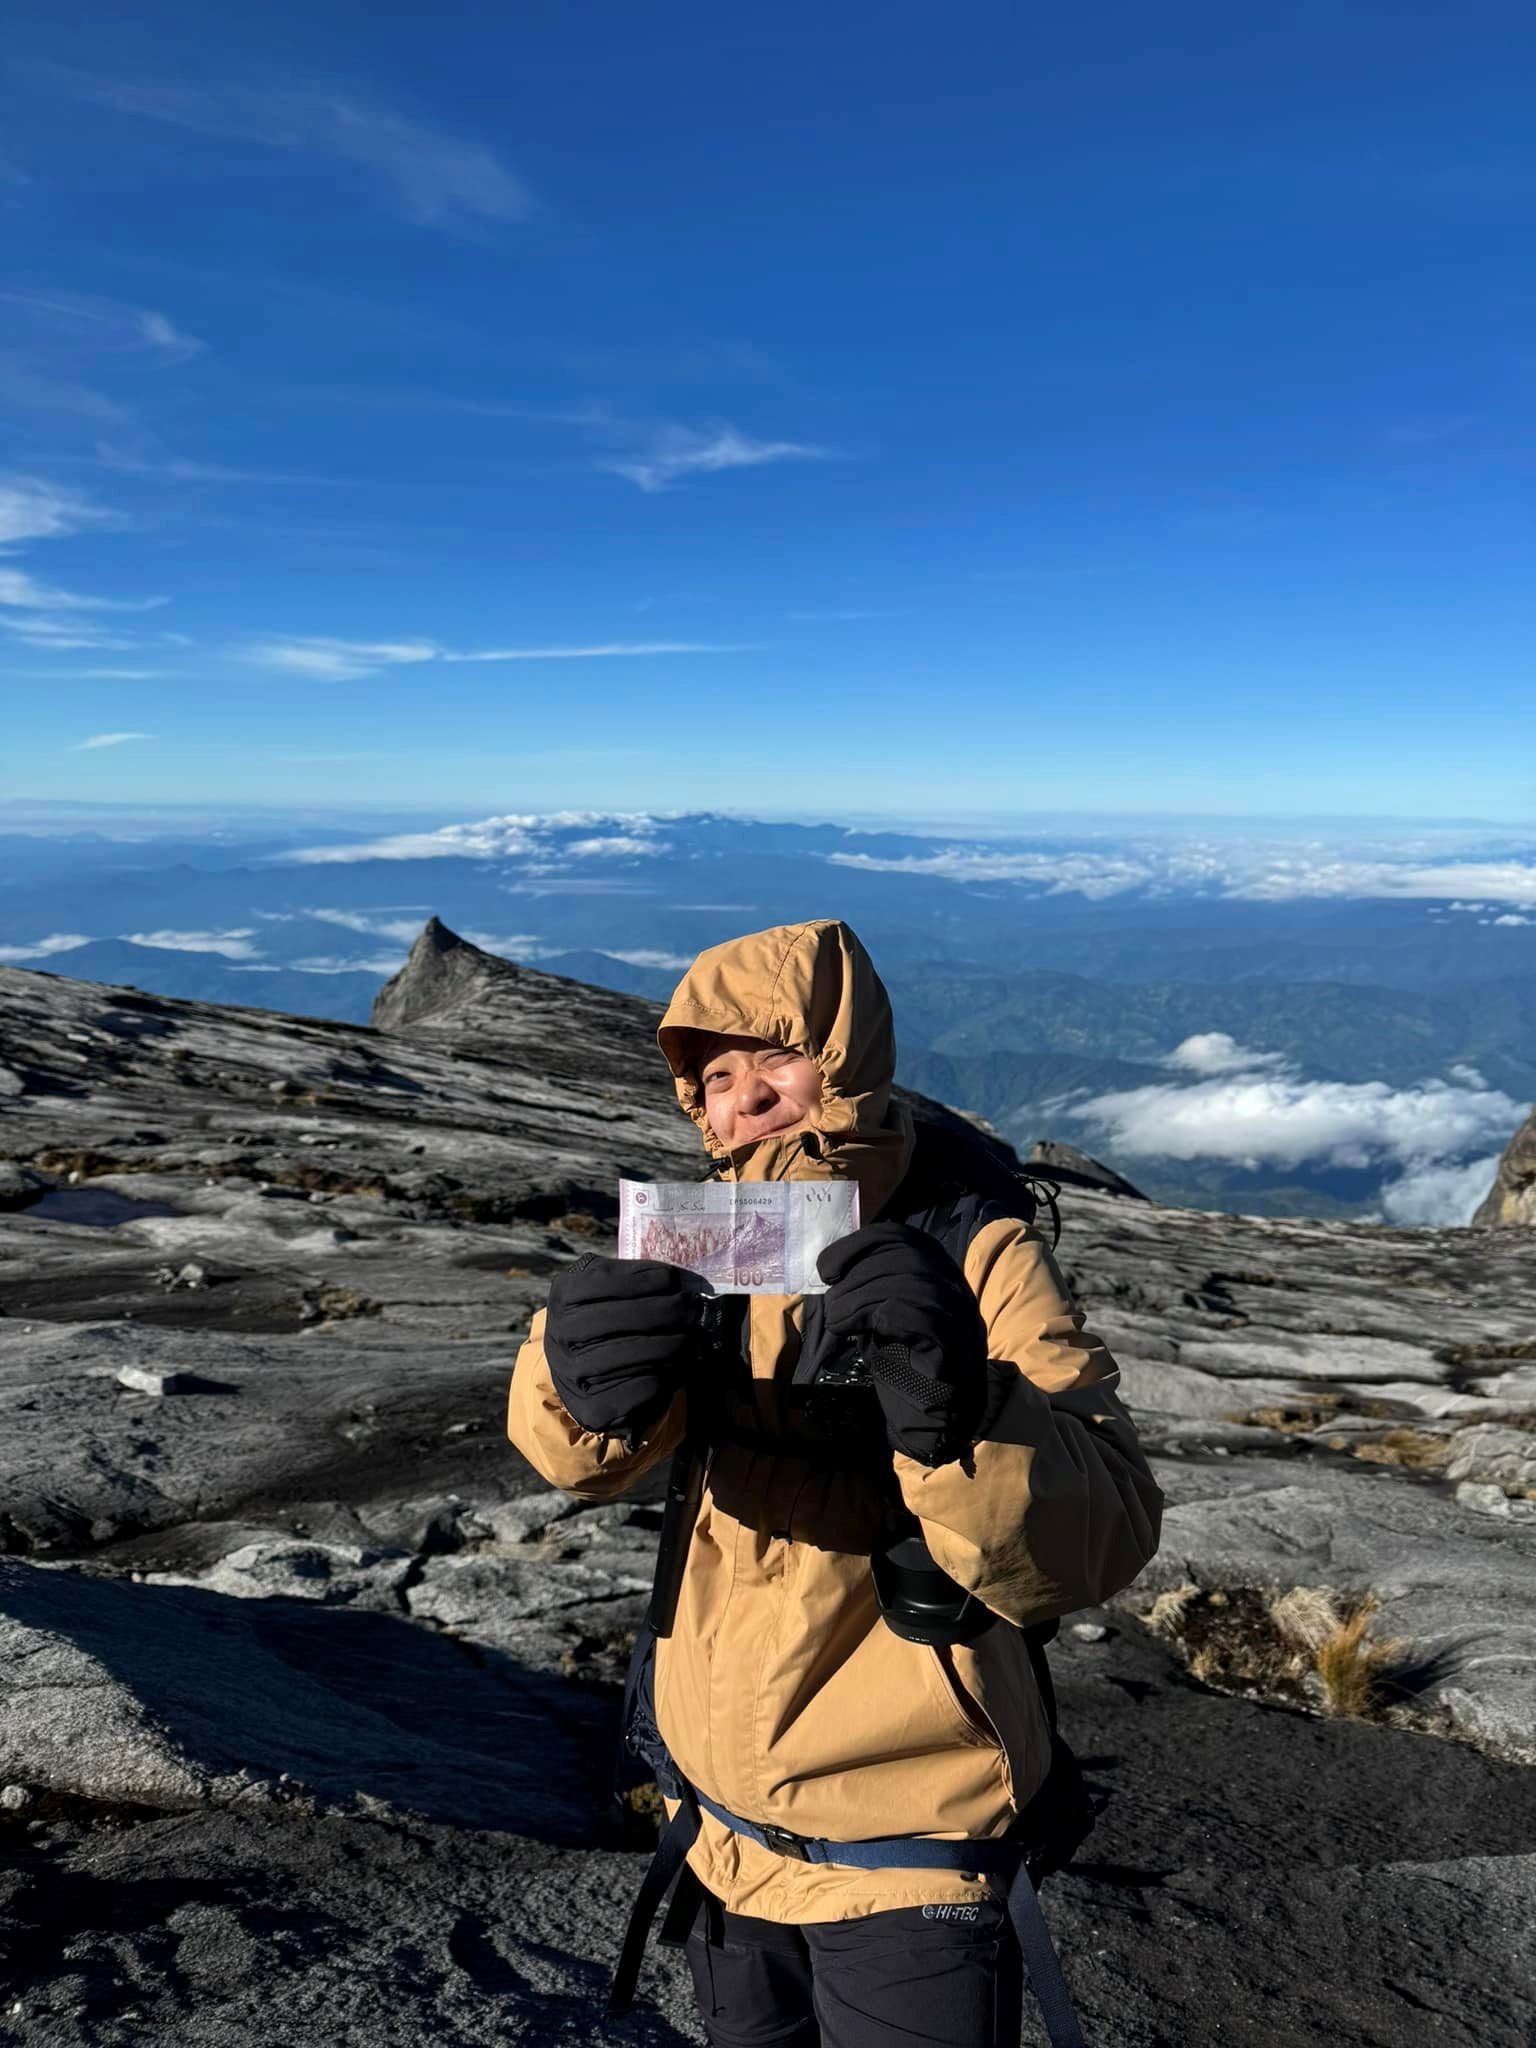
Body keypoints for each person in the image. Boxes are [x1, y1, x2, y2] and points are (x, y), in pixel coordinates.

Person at [507, 919, 1163, 2047]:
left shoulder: (978, 1253)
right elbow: (579, 1458)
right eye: (716, 1075)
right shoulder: (697, 1253)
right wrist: (569, 1375)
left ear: (847, 1062)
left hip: (911, 1846)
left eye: (778, 1056)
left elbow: (1094, 1540)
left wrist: (965, 1409)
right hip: (717, 1830)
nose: (747, 1095)